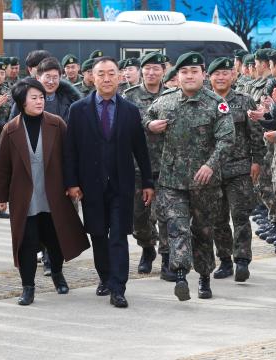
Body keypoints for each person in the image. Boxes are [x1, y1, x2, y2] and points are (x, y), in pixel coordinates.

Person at [64, 57, 154, 308]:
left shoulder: (129, 110)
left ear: (119, 76)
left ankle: (118, 287)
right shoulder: (79, 109)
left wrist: (148, 182)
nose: (106, 79)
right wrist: (71, 182)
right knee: (98, 235)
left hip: (121, 185)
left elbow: (140, 149)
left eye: (111, 73)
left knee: (118, 236)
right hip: (90, 185)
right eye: (100, 74)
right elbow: (70, 149)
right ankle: (104, 277)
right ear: (92, 77)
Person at [144, 52, 234, 301]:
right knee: (177, 227)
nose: (189, 76)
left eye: (194, 72)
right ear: (178, 76)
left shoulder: (217, 104)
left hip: (204, 182)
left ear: (203, 75)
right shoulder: (165, 101)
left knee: (203, 232)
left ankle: (204, 278)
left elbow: (227, 140)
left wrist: (211, 165)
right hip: (172, 181)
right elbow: (146, 118)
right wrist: (150, 126)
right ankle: (181, 274)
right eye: (184, 72)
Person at [0, 78, 89, 306]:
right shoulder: (11, 130)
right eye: (34, 98)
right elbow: (2, 166)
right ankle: (28, 287)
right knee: (27, 242)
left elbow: (70, 157)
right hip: (24, 197)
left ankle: (57, 273)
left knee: (56, 240)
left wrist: (74, 184)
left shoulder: (56, 124)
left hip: (54, 195)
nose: (40, 101)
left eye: (41, 97)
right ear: (22, 102)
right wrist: (1, 196)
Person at [208, 57, 264, 282]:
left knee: (240, 215)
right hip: (212, 169)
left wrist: (256, 160)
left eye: (225, 73)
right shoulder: (203, 101)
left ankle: (242, 260)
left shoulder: (244, 100)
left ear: (233, 75)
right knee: (217, 218)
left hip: (240, 167)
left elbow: (255, 133)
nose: (221, 77)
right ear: (209, 77)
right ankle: (224, 260)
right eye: (216, 73)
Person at [122, 52, 172, 279]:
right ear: (142, 71)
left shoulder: (173, 96)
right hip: (137, 167)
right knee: (139, 218)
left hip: (167, 165)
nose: (151, 73)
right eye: (147, 68)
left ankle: (168, 258)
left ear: (164, 71)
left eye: (156, 68)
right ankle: (147, 248)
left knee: (166, 214)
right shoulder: (129, 96)